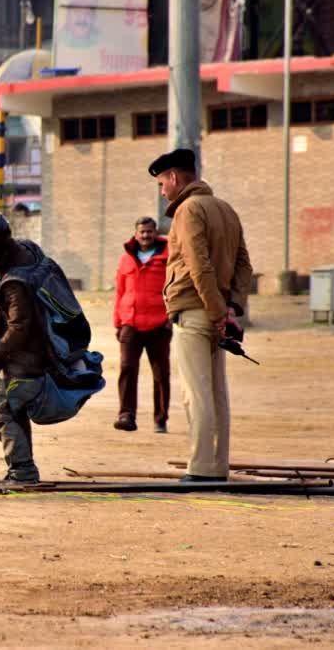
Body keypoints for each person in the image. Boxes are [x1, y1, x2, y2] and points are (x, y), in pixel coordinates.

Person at [149, 148, 252, 483]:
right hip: (217, 311)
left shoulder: (188, 209)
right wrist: (232, 309)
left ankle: (202, 467)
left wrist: (218, 313)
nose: (162, 190)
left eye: (162, 183)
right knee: (218, 393)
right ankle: (219, 464)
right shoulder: (226, 209)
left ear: (175, 179)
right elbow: (243, 265)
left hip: (196, 312)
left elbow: (198, 264)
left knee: (197, 393)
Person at [0, 212, 54, 484]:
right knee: (16, 411)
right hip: (34, 353)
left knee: (0, 415)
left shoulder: (15, 282)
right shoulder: (26, 251)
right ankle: (24, 469)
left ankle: (23, 472)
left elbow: (18, 328)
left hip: (26, 360)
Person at [111, 216, 172, 434]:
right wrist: (118, 322)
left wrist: (170, 318)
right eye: (142, 232)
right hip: (130, 324)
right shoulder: (126, 259)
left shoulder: (168, 256)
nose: (146, 235)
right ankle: (126, 414)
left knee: (161, 374)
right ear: (135, 234)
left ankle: (160, 419)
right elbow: (120, 291)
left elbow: (175, 288)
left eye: (149, 231)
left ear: (155, 233)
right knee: (127, 368)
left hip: (159, 325)